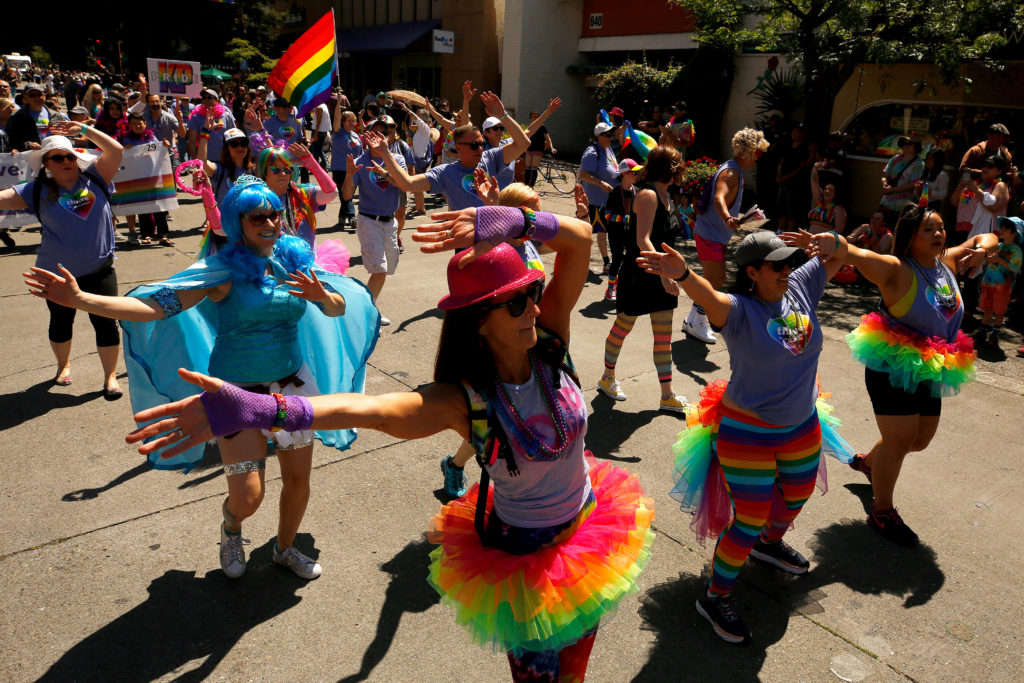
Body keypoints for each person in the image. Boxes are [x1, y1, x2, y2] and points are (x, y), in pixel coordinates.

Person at [124, 202, 654, 682]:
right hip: (528, 566)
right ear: (479, 324)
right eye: (515, 304)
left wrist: (516, 220)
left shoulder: (552, 343)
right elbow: (375, 412)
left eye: (532, 296)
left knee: (577, 670)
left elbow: (581, 237)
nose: (534, 309)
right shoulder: (464, 399)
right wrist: (261, 407)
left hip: (589, 536)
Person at [27, 174, 379, 580]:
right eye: (257, 217)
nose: (270, 224)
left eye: (275, 215)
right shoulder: (221, 271)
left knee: (298, 480)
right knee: (248, 498)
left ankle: (284, 549)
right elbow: (157, 307)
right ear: (236, 223)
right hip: (235, 393)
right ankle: (232, 529)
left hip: (293, 385)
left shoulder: (294, 260)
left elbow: (335, 310)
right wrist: (81, 299)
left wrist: (322, 297)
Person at [637, 227, 851, 644]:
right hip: (747, 431)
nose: (788, 269)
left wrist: (834, 242)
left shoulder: (801, 285)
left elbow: (840, 258)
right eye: (778, 265)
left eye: (791, 261)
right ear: (753, 272)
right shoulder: (738, 310)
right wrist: (684, 275)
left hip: (801, 422)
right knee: (749, 517)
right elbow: (709, 298)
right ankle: (716, 597)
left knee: (797, 494)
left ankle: (769, 544)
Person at [844, 205, 998, 546]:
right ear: (910, 236)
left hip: (933, 363)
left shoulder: (950, 263)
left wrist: (981, 250)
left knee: (918, 440)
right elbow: (857, 254)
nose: (938, 234)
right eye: (928, 229)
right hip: (893, 364)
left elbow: (990, 236)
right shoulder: (897, 269)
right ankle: (882, 511)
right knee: (900, 440)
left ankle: (871, 463)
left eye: (941, 228)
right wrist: (837, 246)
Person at [0, 124, 124, 395]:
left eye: (69, 156)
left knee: (105, 322)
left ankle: (110, 377)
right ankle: (63, 366)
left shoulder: (96, 177)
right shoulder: (33, 191)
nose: (66, 162)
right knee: (60, 322)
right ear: (46, 163)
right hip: (56, 273)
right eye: (57, 157)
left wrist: (83, 129)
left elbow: (116, 149)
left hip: (99, 269)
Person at [598, 147, 687, 413]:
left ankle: (667, 395)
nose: (683, 168)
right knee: (623, 326)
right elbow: (642, 240)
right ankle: (607, 378)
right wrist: (662, 274)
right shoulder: (648, 195)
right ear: (670, 168)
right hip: (640, 273)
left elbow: (665, 240)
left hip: (661, 273)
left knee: (663, 337)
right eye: (679, 163)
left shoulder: (667, 197)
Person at [375, 91, 531, 212]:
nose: (480, 149)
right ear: (459, 147)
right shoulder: (445, 173)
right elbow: (408, 184)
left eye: (481, 143)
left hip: (496, 234)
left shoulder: (490, 157)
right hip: (465, 241)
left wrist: (502, 115)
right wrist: (386, 154)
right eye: (474, 145)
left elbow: (523, 143)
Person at [686, 127, 770, 344]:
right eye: (758, 151)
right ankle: (697, 321)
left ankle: (692, 319)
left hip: (713, 233)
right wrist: (726, 218)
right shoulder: (731, 173)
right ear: (749, 151)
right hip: (710, 234)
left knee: (713, 279)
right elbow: (718, 198)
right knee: (716, 279)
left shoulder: (734, 170)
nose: (760, 155)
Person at [343, 127, 406, 326]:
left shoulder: (396, 159)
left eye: (383, 133)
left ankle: (371, 306)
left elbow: (403, 184)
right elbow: (346, 196)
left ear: (388, 137)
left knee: (385, 269)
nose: (377, 138)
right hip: (369, 221)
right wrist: (348, 175)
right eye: (373, 134)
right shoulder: (360, 162)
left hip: (390, 222)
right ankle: (366, 315)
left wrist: (386, 173)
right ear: (366, 138)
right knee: (379, 270)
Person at [579, 122, 620, 275]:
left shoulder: (609, 149)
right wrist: (600, 183)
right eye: (608, 135)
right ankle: (605, 262)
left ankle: (606, 261)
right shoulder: (591, 152)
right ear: (599, 136)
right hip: (595, 200)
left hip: (608, 199)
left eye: (611, 134)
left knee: (604, 231)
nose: (611, 137)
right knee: (596, 232)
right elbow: (584, 174)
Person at [974, 216, 1023, 344]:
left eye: (1006, 229)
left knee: (1000, 311)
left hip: (1003, 287)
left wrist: (999, 260)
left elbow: (1015, 268)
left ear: (1014, 233)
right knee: (987, 308)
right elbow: (990, 260)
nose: (1001, 230)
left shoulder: (1016, 250)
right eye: (1002, 227)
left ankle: (995, 333)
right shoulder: (998, 246)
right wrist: (988, 258)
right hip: (990, 283)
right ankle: (982, 329)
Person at [600, 158, 640, 302]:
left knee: (632, 260)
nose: (637, 175)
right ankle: (610, 288)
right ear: (624, 174)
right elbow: (607, 215)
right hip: (616, 233)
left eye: (637, 172)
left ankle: (626, 287)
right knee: (617, 259)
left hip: (631, 233)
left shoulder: (638, 192)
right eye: (634, 172)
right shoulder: (615, 192)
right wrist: (624, 218)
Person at [775, 124, 814, 233]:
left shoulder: (804, 148)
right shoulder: (787, 145)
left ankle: (788, 233)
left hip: (796, 183)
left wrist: (785, 178)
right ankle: (779, 231)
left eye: (797, 132)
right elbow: (781, 163)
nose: (794, 134)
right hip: (784, 182)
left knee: (792, 210)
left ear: (803, 134)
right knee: (782, 207)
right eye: (793, 131)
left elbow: (801, 168)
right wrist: (779, 176)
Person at [330, 108, 362, 228]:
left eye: (353, 121)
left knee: (348, 195)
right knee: (345, 194)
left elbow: (361, 153)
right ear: (342, 122)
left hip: (354, 169)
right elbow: (336, 117)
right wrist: (338, 103)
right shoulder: (338, 132)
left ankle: (342, 217)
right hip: (340, 169)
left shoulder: (356, 135)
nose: (351, 123)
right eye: (348, 121)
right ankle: (352, 217)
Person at [5, 82, 58, 150]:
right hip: (29, 156)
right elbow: (11, 139)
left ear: (44, 95)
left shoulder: (55, 115)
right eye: (32, 95)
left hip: (52, 153)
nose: (37, 98)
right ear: (25, 96)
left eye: (39, 94)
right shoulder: (16, 116)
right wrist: (28, 144)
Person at [880, 137, 925, 213]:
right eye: (904, 143)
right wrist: (885, 184)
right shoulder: (895, 159)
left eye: (909, 144)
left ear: (916, 146)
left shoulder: (918, 163)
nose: (906, 146)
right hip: (886, 201)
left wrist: (893, 189)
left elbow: (914, 184)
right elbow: (886, 176)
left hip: (903, 205)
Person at [807, 161, 847, 235]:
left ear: (835, 193)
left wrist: (821, 234)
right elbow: (814, 181)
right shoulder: (819, 202)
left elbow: (839, 230)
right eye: (825, 189)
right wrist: (815, 167)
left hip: (824, 241)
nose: (827, 191)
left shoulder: (838, 209)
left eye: (830, 189)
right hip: (810, 237)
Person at [524, 109, 557, 188]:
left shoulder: (542, 127)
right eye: (532, 117)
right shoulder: (530, 127)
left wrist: (551, 148)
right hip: (529, 149)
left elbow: (548, 138)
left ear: (539, 117)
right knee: (528, 168)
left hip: (538, 149)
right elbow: (525, 138)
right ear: (530, 118)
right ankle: (525, 186)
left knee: (534, 168)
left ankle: (531, 186)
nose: (534, 118)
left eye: (536, 116)